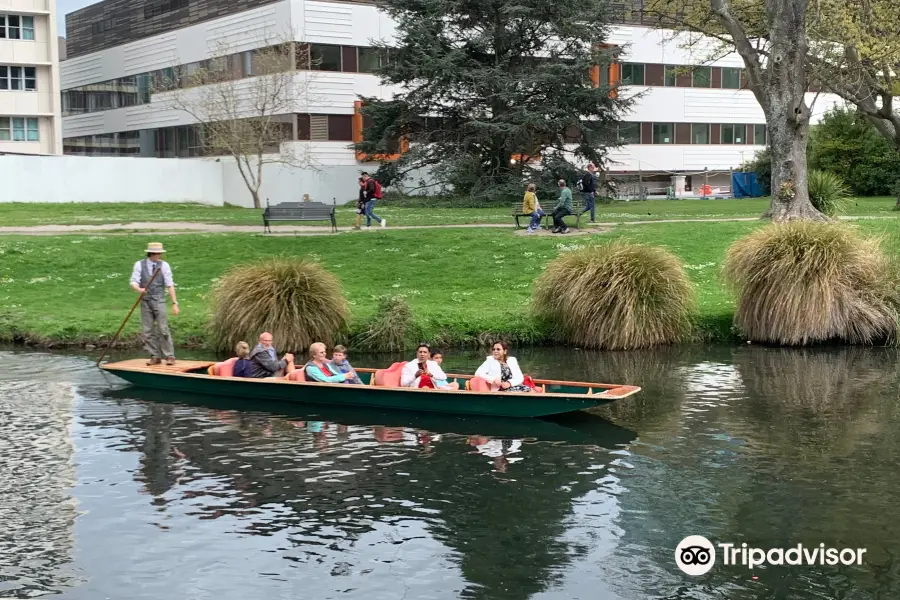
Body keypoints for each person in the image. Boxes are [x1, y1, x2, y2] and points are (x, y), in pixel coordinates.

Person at [130, 242, 180, 366]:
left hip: (159, 300)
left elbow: (170, 284)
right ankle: (155, 356)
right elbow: (133, 282)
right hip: (145, 301)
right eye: (158, 253)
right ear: (152, 253)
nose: (160, 256)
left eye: (160, 253)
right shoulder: (139, 265)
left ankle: (169, 356)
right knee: (147, 330)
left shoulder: (164, 266)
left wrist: (174, 303)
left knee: (163, 328)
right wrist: (139, 290)